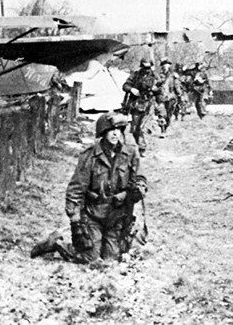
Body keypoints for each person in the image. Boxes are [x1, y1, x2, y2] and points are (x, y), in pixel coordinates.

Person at [30, 112, 148, 263]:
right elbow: (75, 189)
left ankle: (108, 242)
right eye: (111, 130)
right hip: (93, 216)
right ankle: (56, 243)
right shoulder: (90, 155)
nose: (115, 134)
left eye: (119, 130)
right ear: (103, 133)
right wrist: (75, 221)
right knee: (90, 257)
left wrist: (139, 188)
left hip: (117, 216)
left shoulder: (130, 153)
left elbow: (140, 178)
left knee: (111, 258)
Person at [122, 58, 159, 156]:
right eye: (144, 67)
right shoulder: (135, 75)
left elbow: (162, 89)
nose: (146, 69)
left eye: (148, 67)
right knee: (135, 128)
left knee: (142, 127)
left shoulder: (155, 77)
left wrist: (156, 90)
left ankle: (142, 148)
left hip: (149, 104)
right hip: (137, 104)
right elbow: (125, 85)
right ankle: (140, 144)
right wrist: (131, 89)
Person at [156, 58, 182, 136]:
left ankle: (165, 128)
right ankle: (162, 131)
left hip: (171, 98)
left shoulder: (174, 76)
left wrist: (179, 94)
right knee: (161, 114)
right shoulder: (158, 76)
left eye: (167, 66)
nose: (165, 68)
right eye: (164, 66)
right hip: (161, 97)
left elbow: (177, 87)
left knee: (168, 115)